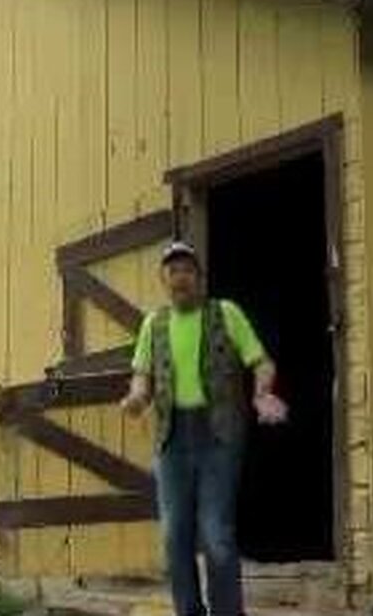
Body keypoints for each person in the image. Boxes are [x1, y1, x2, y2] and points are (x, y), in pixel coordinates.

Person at [121, 241, 289, 616]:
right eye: (172, 271)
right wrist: (135, 399)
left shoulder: (225, 313)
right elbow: (141, 376)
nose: (179, 277)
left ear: (199, 278)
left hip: (218, 436)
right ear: (163, 281)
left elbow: (261, 362)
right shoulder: (154, 323)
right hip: (172, 437)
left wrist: (262, 393)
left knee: (215, 534)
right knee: (174, 535)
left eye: (186, 270)